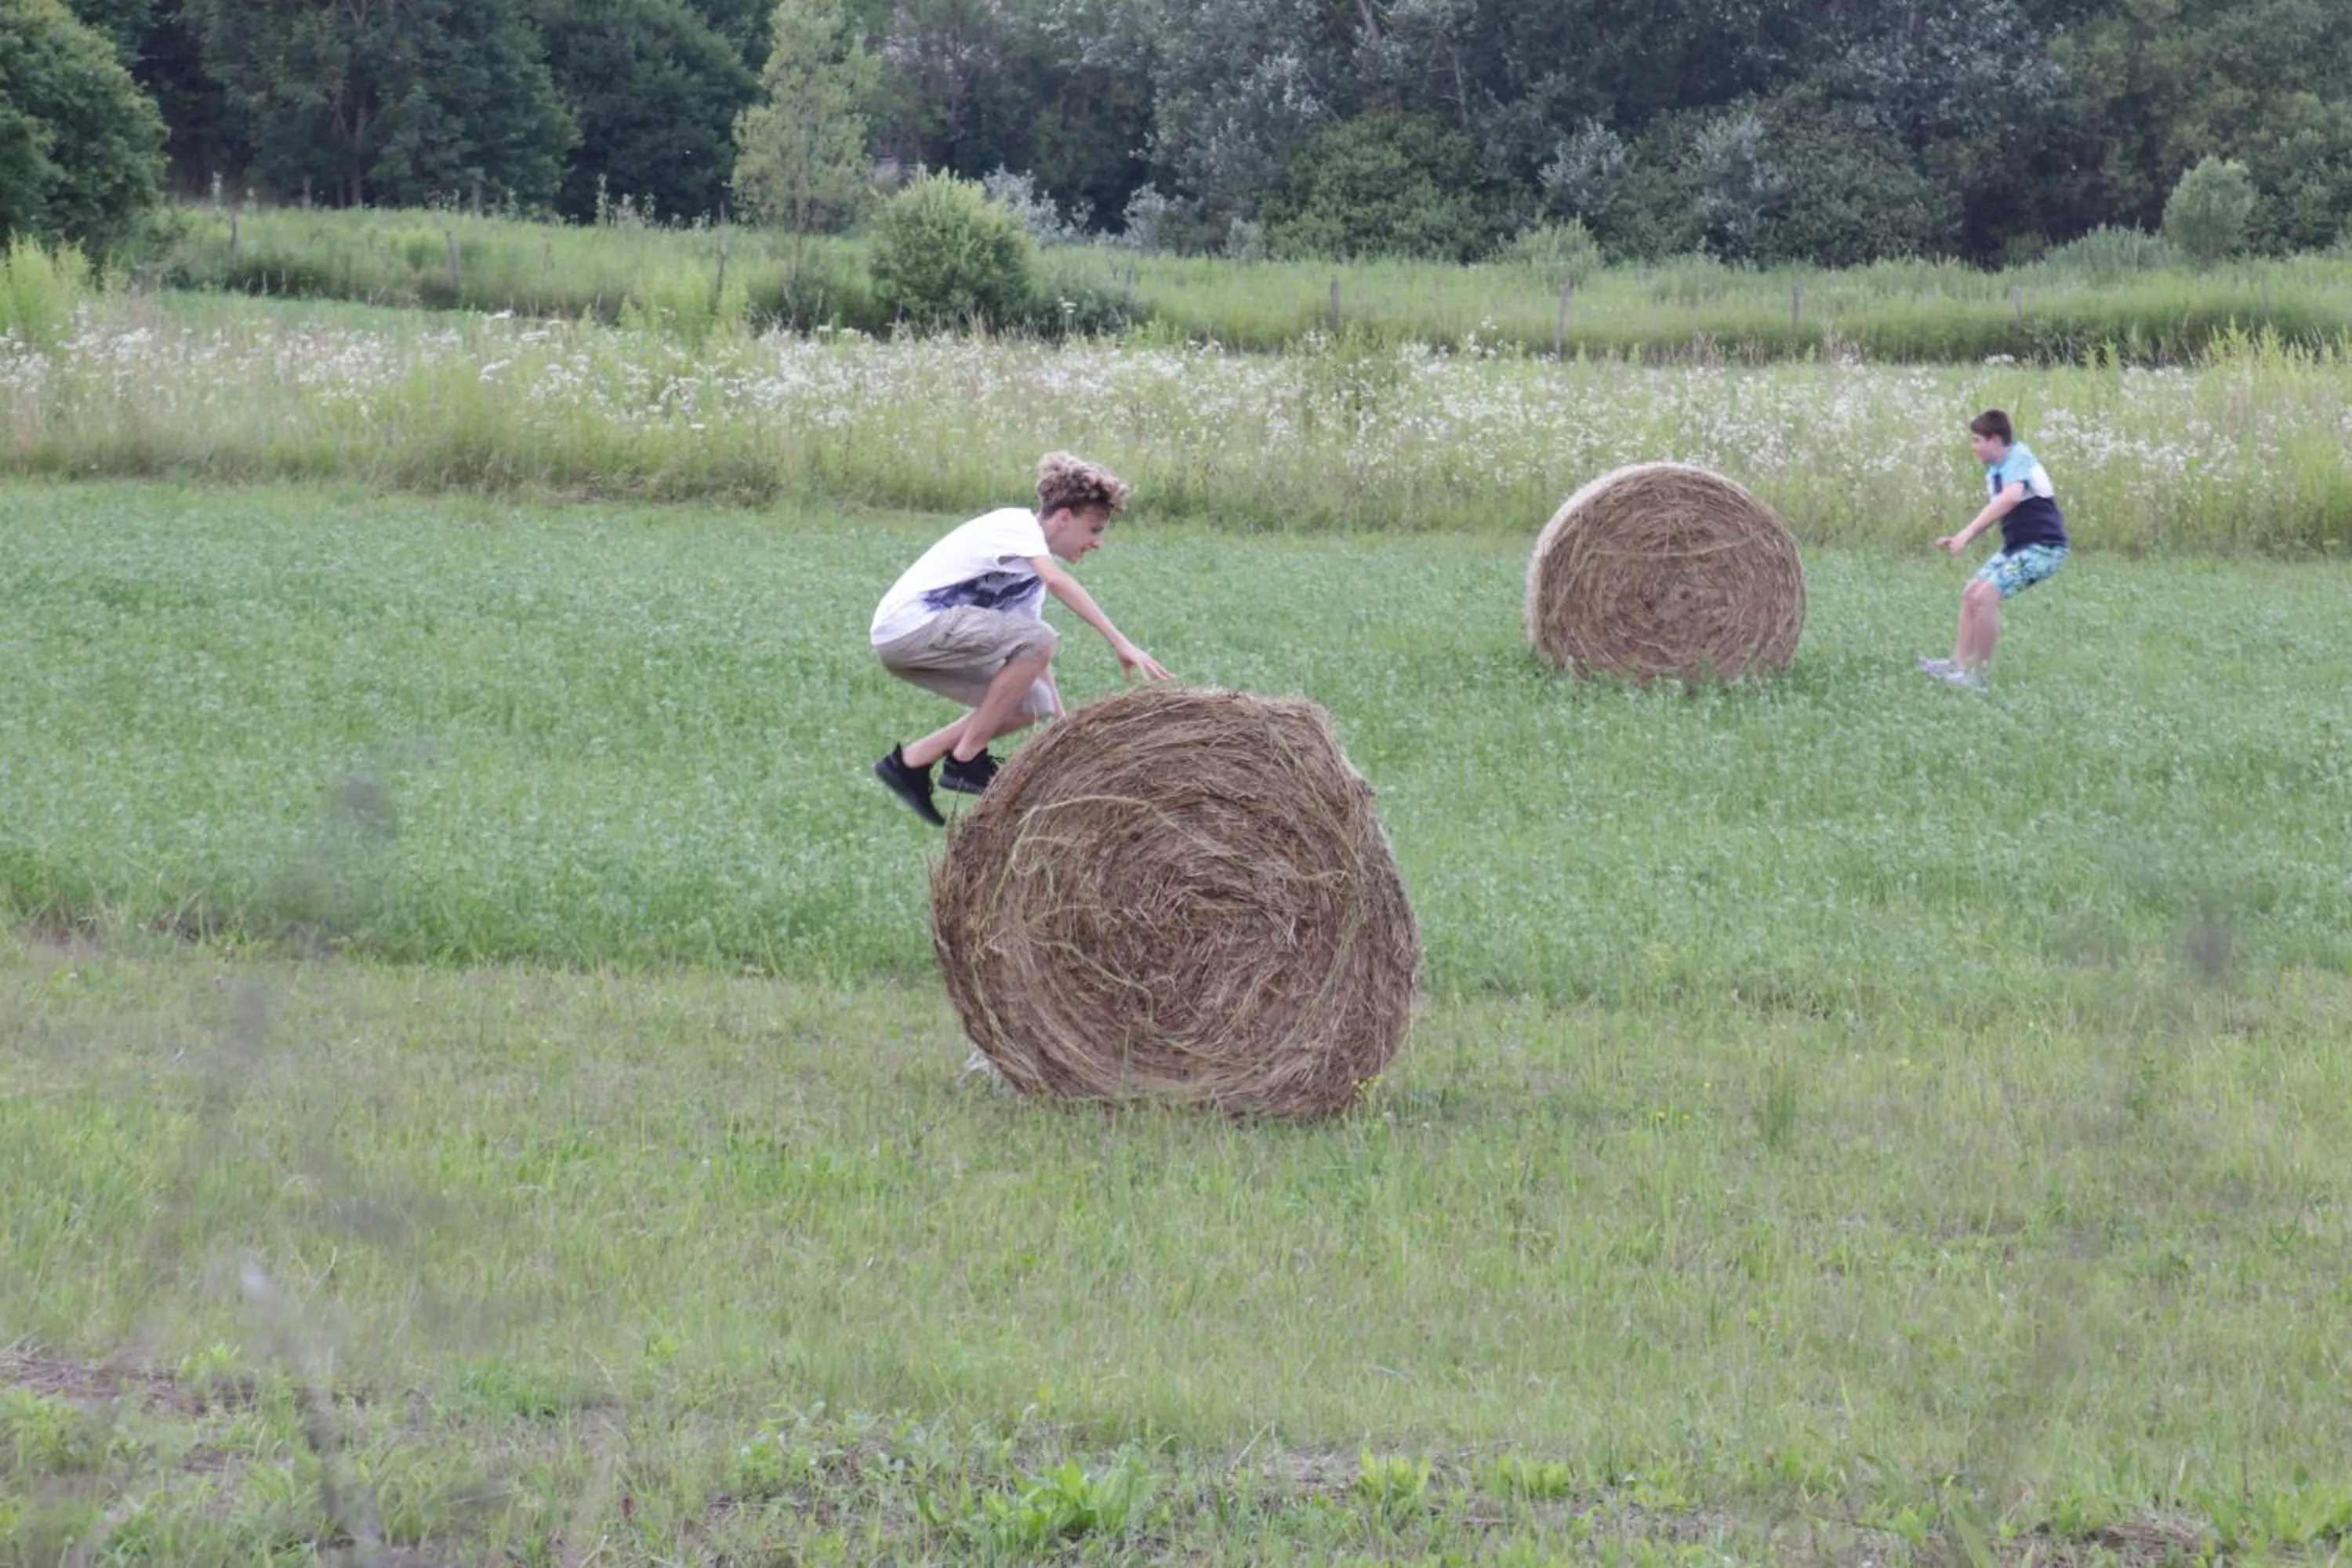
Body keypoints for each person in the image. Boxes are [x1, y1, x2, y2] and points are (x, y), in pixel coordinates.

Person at [869, 452, 1171, 825]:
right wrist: (1120, 642)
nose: (1097, 543)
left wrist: (1063, 726)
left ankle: (911, 764)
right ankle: (966, 760)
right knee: (1039, 639)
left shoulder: (1028, 578)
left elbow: (1034, 659)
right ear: (1063, 518)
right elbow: (1055, 594)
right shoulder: (1015, 526)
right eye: (1094, 530)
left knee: (1033, 703)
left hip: (915, 644)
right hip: (908, 626)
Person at [1918, 408, 2070, 691]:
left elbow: (2010, 499)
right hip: (2018, 547)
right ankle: (1958, 665)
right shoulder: (1997, 469)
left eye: (1977, 441)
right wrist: (1961, 537)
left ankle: (1980, 678)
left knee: (1986, 597)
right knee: (1970, 593)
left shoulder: (2019, 459)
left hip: (2044, 548)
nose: (1973, 447)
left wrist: (1967, 533)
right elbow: (1997, 509)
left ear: (1996, 440)